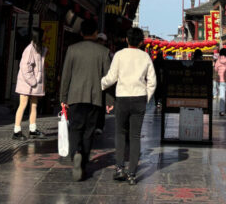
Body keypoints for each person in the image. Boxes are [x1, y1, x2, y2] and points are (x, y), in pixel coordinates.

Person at [101, 27, 157, 185]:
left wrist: (101, 83)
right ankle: (132, 173)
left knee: (120, 133)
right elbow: (152, 81)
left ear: (127, 39)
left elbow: (111, 78)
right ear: (141, 42)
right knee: (135, 136)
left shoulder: (119, 55)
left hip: (122, 98)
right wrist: (146, 97)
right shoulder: (145, 57)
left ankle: (120, 168)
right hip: (139, 98)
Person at [60, 19, 112, 181]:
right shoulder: (103, 52)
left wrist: (63, 97)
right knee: (89, 131)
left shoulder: (72, 49)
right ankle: (83, 161)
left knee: (75, 128)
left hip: (75, 97)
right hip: (95, 97)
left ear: (81, 33)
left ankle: (76, 152)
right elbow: (108, 79)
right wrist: (110, 100)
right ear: (96, 33)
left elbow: (66, 75)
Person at [13, 28, 47, 140]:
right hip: (27, 82)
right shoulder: (29, 49)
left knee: (34, 105)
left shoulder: (39, 49)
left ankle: (32, 129)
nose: (45, 37)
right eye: (43, 35)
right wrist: (33, 81)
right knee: (23, 105)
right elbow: (25, 67)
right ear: (39, 36)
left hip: (33, 83)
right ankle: (16, 131)